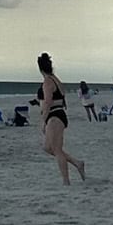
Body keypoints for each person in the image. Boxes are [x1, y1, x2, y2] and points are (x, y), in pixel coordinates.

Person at [38, 53, 85, 185]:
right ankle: (77, 163)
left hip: (54, 116)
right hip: (58, 114)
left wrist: (43, 120)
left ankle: (66, 181)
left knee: (57, 149)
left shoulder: (48, 81)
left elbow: (48, 101)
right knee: (48, 148)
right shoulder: (55, 79)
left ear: (40, 68)